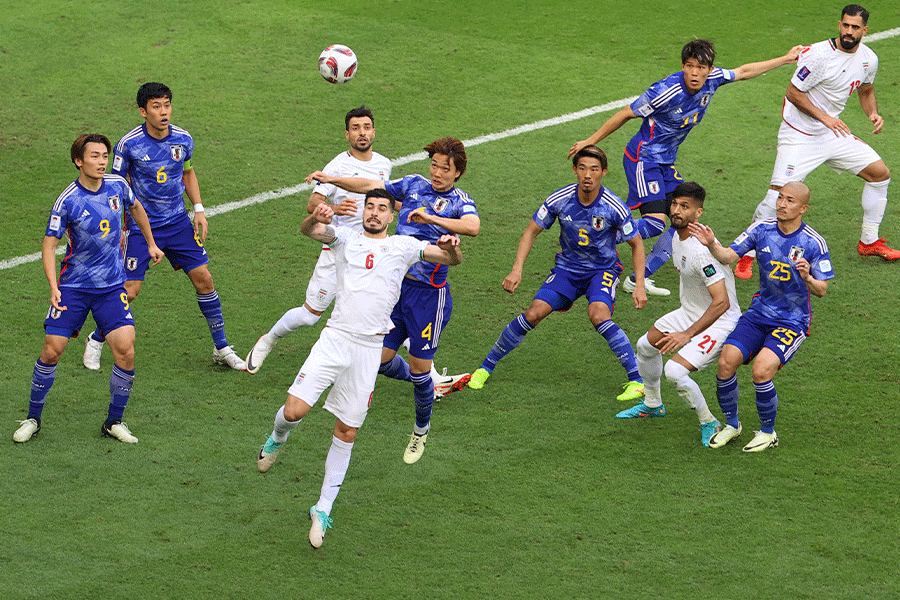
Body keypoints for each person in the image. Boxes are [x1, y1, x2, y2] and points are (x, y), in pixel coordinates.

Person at [256, 189, 463, 548]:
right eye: (370, 207)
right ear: (364, 212)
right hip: (335, 339)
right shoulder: (345, 238)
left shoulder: (403, 245)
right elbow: (308, 231)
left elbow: (450, 259)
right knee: (293, 412)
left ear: (390, 215)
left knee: (347, 431)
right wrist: (316, 217)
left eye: (383, 208)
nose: (375, 213)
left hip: (369, 350)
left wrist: (452, 245)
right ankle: (278, 438)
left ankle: (322, 508)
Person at [245, 107, 469, 398]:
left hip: (376, 252)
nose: (362, 132)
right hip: (338, 250)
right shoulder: (336, 166)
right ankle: (269, 339)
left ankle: (429, 379)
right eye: (355, 127)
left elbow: (387, 199)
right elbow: (313, 204)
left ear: (374, 131)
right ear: (347, 133)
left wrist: (416, 211)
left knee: (387, 313)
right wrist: (335, 209)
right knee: (310, 315)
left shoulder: (384, 164)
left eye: (367, 127)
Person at [569, 40, 802, 295]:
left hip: (665, 162)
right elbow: (626, 113)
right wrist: (590, 141)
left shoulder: (713, 79)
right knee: (655, 223)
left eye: (700, 67)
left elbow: (744, 71)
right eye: (689, 66)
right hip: (643, 159)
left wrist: (785, 58)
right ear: (682, 66)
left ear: (709, 69)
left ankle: (638, 277)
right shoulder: (665, 91)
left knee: (684, 220)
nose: (694, 73)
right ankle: (593, 234)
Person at [305, 137, 479, 464]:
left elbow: (473, 226)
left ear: (458, 173)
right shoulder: (413, 184)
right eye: (435, 165)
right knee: (382, 360)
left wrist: (434, 220)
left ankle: (421, 429)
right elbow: (371, 184)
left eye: (446, 168)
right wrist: (331, 180)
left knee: (417, 370)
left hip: (429, 297)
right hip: (396, 291)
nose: (438, 173)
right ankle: (429, 381)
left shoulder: (459, 200)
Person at [81, 82, 246, 372]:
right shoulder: (128, 145)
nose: (163, 111)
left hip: (178, 223)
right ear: (143, 111)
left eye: (167, 105)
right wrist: (119, 228)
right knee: (129, 290)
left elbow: (188, 173)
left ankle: (221, 347)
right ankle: (96, 338)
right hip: (141, 228)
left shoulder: (183, 139)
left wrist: (198, 209)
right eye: (156, 106)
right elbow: (116, 186)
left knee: (204, 279)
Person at [13, 134, 164, 444]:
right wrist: (54, 287)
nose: (101, 161)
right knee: (52, 350)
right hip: (73, 286)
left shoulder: (118, 186)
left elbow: (136, 209)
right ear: (78, 161)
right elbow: (49, 243)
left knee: (126, 350)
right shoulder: (67, 200)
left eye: (104, 155)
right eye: (94, 156)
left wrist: (149, 243)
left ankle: (114, 422)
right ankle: (32, 417)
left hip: (111, 287)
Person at [467, 145, 648, 403]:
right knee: (533, 313)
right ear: (575, 169)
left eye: (594, 169)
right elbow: (531, 231)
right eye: (582, 168)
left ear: (604, 172)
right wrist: (516, 269)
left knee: (598, 315)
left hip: (602, 270)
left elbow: (637, 244)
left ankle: (637, 381)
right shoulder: (559, 200)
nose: (588, 174)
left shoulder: (614, 207)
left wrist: (639, 285)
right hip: (567, 270)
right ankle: (485, 368)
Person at [736, 4, 899, 280]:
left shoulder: (869, 59)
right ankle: (746, 254)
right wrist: (826, 119)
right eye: (845, 26)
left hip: (830, 133)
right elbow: (793, 94)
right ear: (839, 25)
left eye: (855, 27)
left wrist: (872, 112)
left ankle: (869, 242)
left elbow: (866, 90)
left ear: (864, 30)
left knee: (880, 174)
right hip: (798, 134)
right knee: (777, 194)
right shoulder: (819, 55)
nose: (849, 32)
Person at [688, 182, 833, 452]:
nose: (781, 204)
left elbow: (822, 289)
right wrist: (710, 244)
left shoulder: (813, 242)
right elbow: (728, 256)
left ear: (803, 208)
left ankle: (768, 433)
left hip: (792, 321)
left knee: (761, 371)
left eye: (789, 200)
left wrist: (808, 277)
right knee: (725, 363)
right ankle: (732, 425)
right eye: (780, 198)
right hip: (759, 313)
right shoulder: (761, 229)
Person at [615, 182, 741, 447]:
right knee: (645, 346)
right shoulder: (676, 236)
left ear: (699, 212)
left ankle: (709, 422)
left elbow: (722, 302)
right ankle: (652, 403)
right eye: (674, 204)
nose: (676, 211)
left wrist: (687, 335)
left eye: (685, 207)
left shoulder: (700, 250)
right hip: (691, 312)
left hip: (720, 321)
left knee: (675, 372)